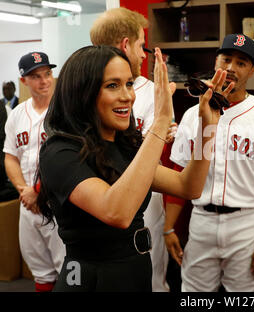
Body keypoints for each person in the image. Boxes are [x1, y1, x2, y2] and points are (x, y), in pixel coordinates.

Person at [36, 45, 222, 292]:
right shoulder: (59, 151)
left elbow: (189, 187)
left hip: (134, 272)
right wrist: (160, 123)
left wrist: (208, 130)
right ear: (83, 92)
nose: (127, 96)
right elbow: (117, 212)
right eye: (112, 85)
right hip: (88, 278)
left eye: (129, 84)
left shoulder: (124, 145)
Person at [164, 33, 254, 292]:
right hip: (201, 222)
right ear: (216, 61)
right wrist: (168, 228)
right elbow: (178, 172)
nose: (231, 68)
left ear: (252, 70)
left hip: (246, 224)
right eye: (227, 59)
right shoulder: (192, 114)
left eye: (241, 63)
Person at [90, 7, 177, 291]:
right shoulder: (83, 91)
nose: (144, 54)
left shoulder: (153, 91)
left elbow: (162, 158)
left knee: (149, 281)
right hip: (96, 201)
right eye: (141, 45)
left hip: (143, 199)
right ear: (125, 44)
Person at [3, 52, 65, 292]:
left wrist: (38, 192)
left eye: (48, 74)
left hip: (58, 203)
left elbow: (69, 161)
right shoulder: (17, 114)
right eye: (36, 76)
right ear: (23, 81)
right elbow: (10, 157)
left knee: (68, 269)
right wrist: (25, 191)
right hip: (28, 203)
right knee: (40, 272)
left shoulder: (66, 111)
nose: (44, 81)